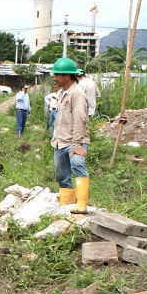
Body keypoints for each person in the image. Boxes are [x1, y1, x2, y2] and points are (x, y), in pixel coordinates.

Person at [50, 57, 92, 213]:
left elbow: (80, 119)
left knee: (77, 165)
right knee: (62, 176)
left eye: (57, 75)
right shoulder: (63, 93)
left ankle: (81, 205)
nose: (54, 78)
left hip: (74, 141)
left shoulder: (77, 94)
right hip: (60, 141)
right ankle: (67, 206)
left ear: (67, 76)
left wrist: (77, 144)